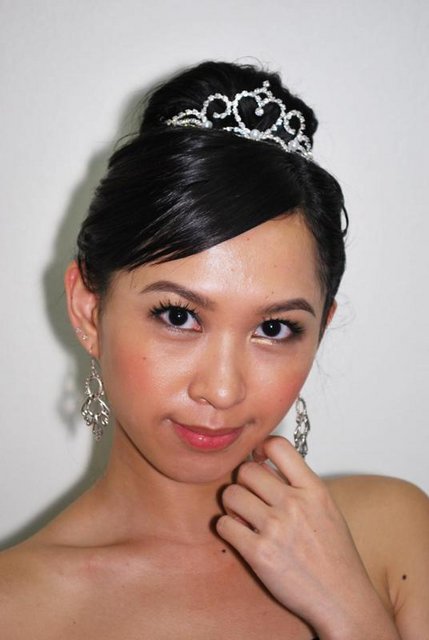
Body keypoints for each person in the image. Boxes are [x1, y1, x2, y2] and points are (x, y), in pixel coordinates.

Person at [1, 60, 428, 640]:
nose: (222, 390)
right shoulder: (16, 609)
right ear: (88, 309)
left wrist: (351, 611)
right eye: (179, 316)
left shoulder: (394, 533)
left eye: (274, 328)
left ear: (320, 329)